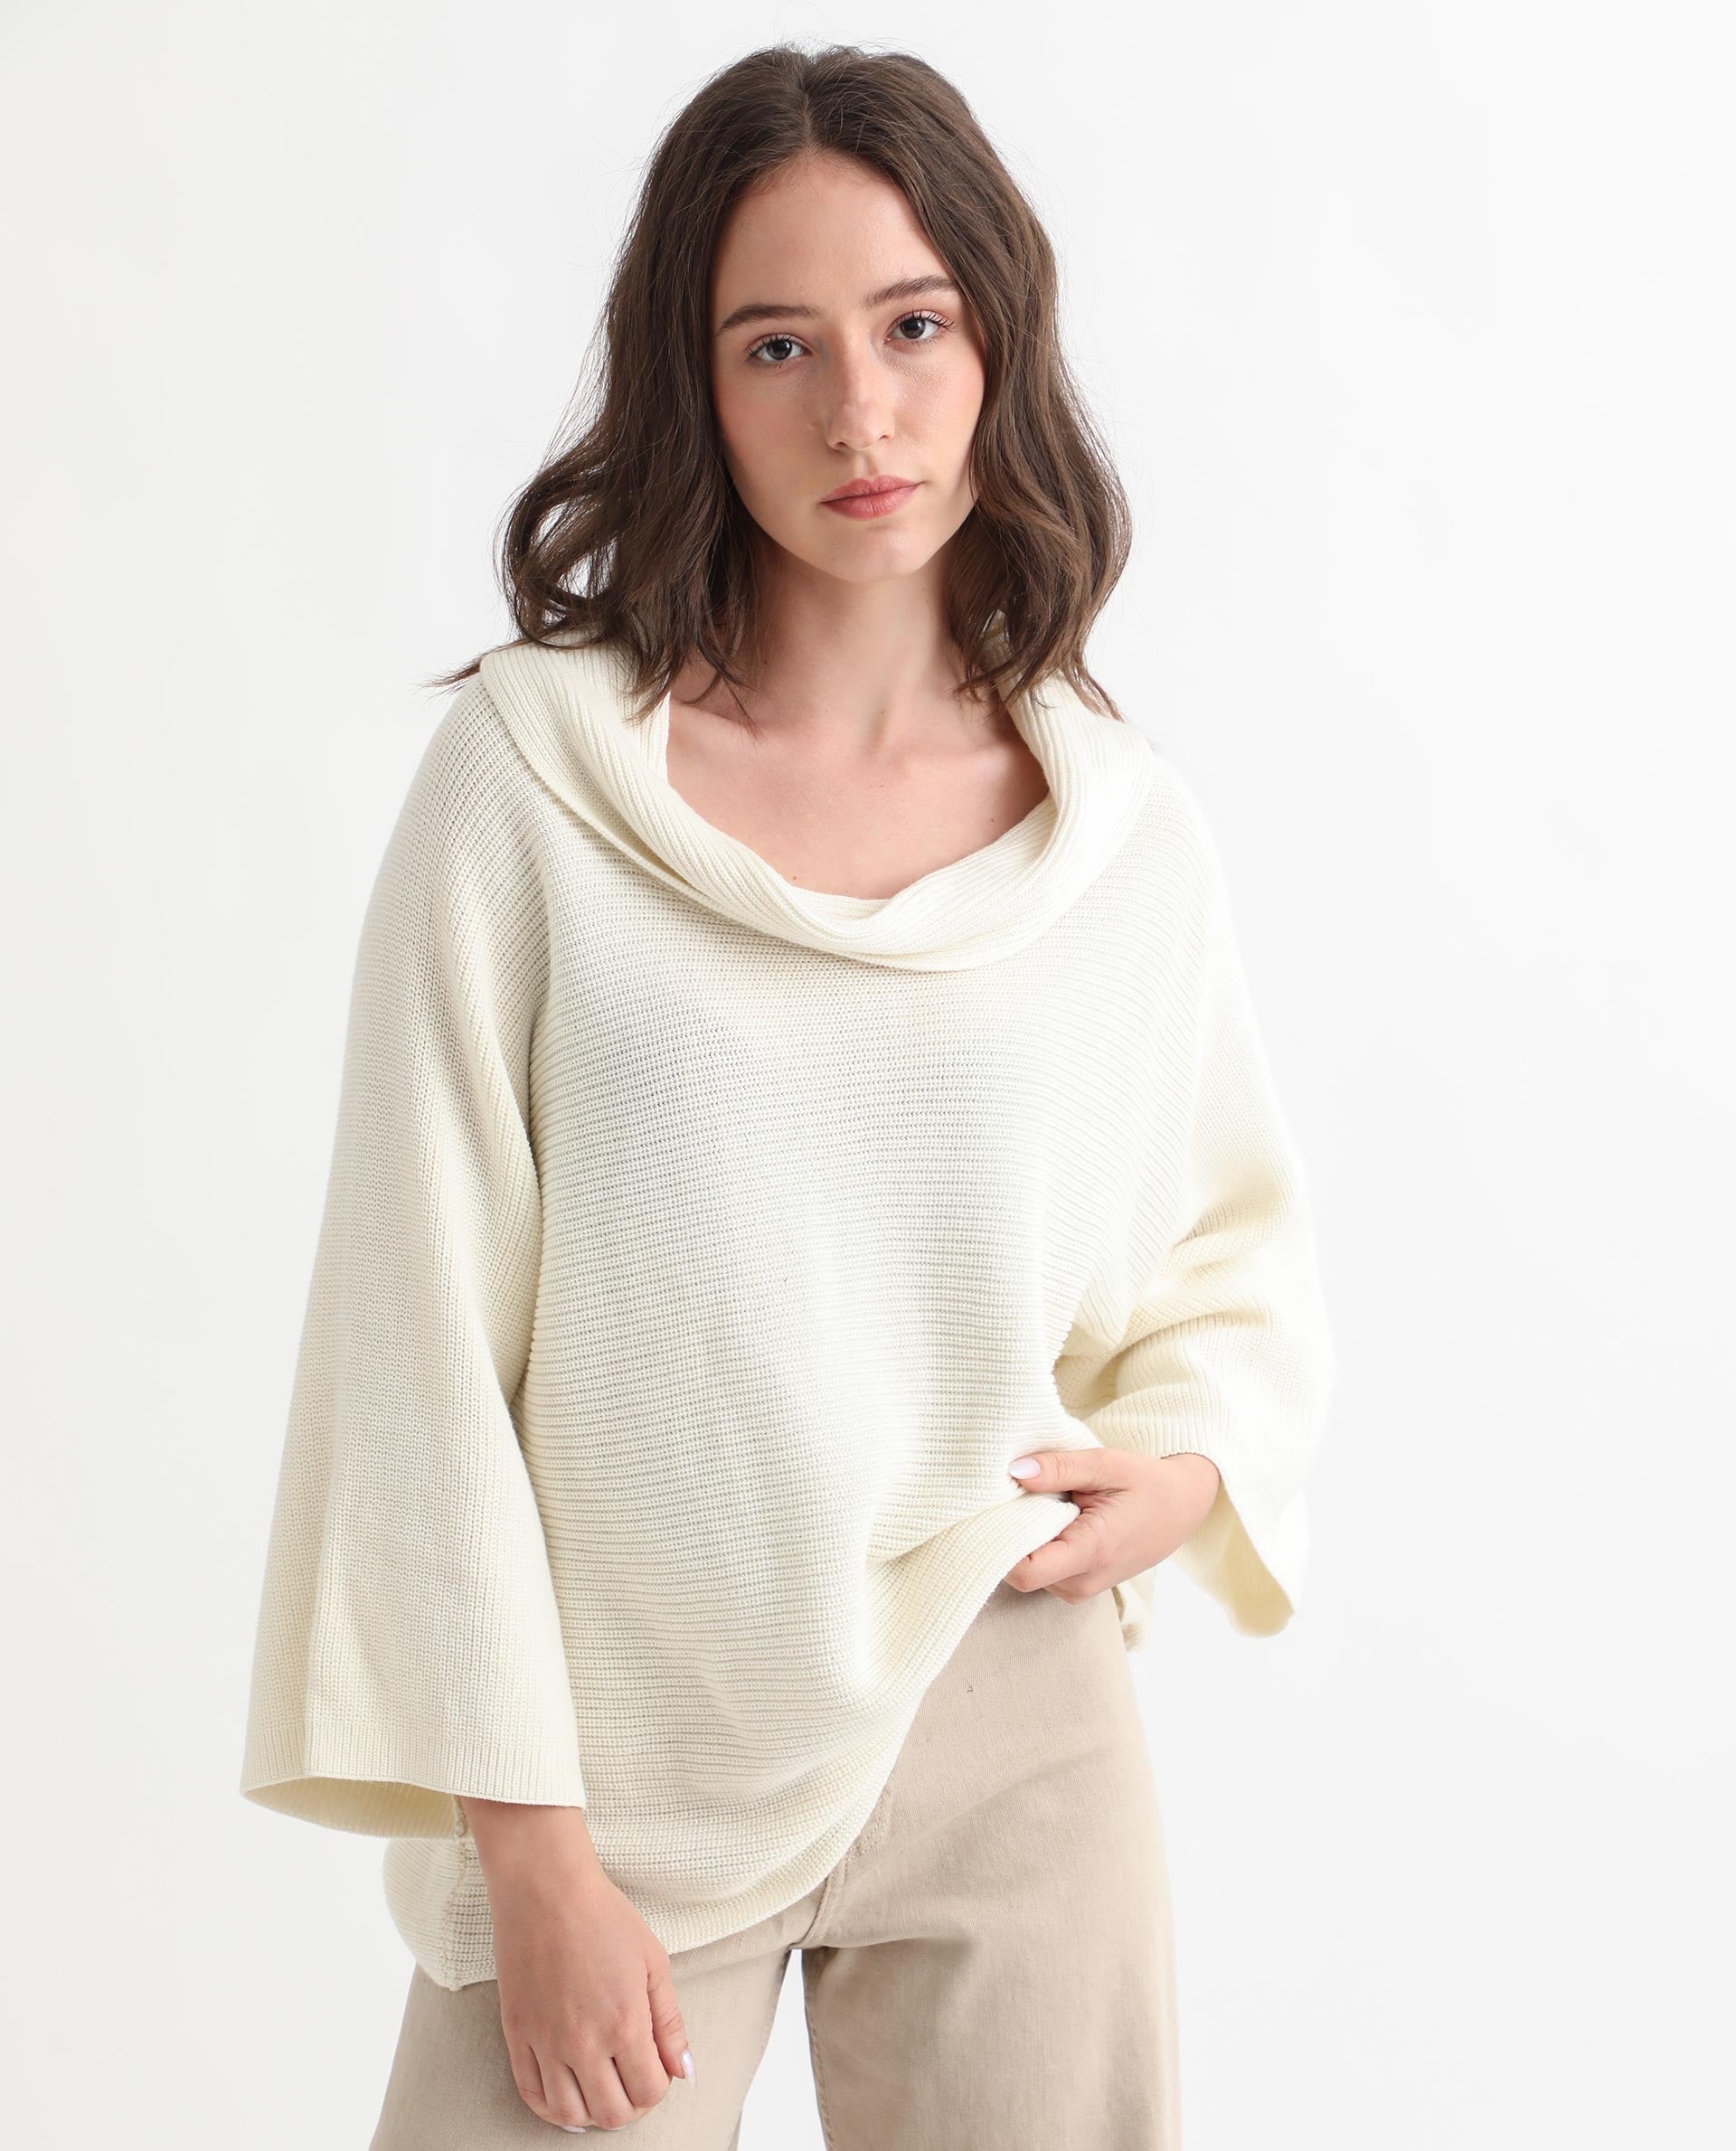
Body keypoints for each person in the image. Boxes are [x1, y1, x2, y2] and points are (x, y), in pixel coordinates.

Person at [238, 41, 1335, 2150]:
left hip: (1011, 1702)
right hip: (618, 1752)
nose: (861, 412)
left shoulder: (1117, 836)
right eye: (779, 346)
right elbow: (415, 1341)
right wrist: (530, 1851)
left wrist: (1190, 1465)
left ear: (997, 345)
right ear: (696, 381)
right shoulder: (532, 786)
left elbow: (1232, 1247)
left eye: (915, 326)